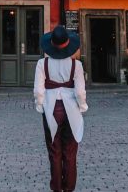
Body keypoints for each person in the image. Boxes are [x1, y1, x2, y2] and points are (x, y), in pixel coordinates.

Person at [34, 25, 88, 192]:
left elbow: (38, 89)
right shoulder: (76, 65)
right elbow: (80, 92)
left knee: (54, 151)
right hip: (71, 109)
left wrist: (40, 104)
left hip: (51, 108)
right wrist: (83, 106)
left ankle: (56, 188)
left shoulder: (42, 64)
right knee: (70, 153)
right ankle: (69, 188)